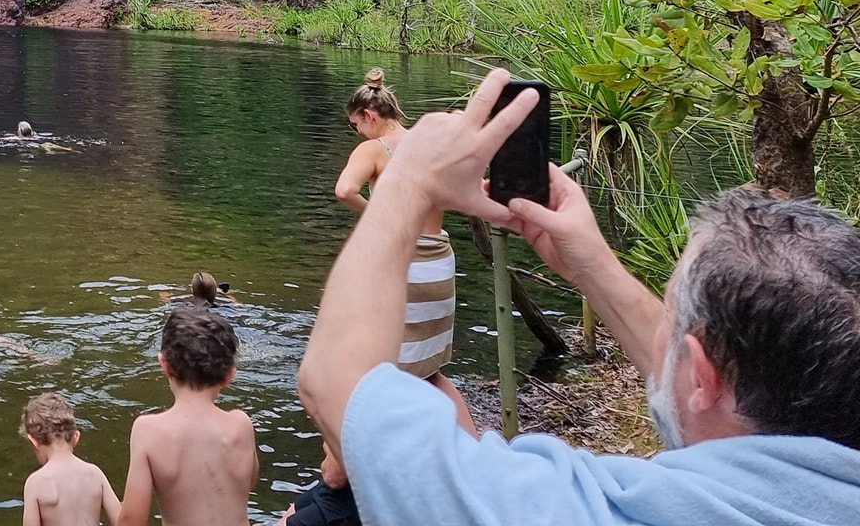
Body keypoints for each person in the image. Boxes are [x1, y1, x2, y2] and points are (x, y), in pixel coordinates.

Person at [296, 68, 860, 526]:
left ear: (705, 378)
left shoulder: (587, 512)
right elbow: (692, 382)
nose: (660, 331)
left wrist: (408, 184)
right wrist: (593, 266)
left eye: (669, 314)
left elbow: (340, 385)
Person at [332, 69, 471, 424]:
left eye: (354, 125)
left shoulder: (373, 149)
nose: (356, 132)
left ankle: (360, 452)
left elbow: (345, 190)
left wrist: (379, 214)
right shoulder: (427, 143)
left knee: (376, 369)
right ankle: (474, 446)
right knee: (431, 373)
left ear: (370, 115)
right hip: (439, 260)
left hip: (405, 263)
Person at [118, 303, 257, 526]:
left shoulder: (148, 430)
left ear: (164, 365)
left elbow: (131, 521)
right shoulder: (242, 425)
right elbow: (247, 483)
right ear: (229, 375)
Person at [22, 391, 121, 526]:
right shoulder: (95, 474)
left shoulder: (36, 483)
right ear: (76, 437)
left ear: (34, 441)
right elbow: (124, 522)